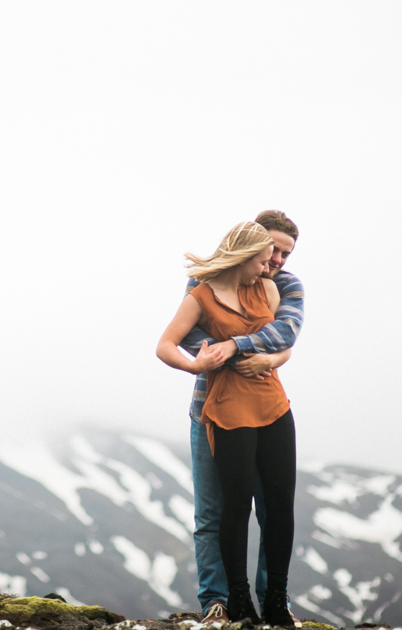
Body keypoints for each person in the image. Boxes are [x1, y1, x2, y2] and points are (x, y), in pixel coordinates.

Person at [156, 220, 298, 626]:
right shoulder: (200, 294)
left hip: (272, 404)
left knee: (279, 505)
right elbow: (166, 344)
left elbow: (283, 339)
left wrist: (265, 356)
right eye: (263, 258)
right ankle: (231, 600)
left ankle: (275, 600)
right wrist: (195, 364)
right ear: (243, 257)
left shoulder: (271, 288)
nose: (270, 265)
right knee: (228, 508)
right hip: (224, 409)